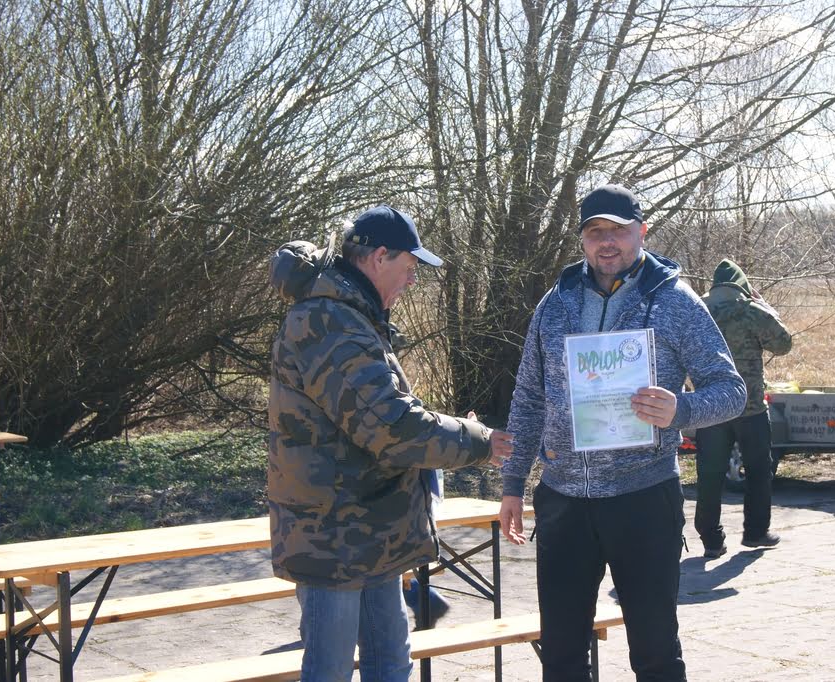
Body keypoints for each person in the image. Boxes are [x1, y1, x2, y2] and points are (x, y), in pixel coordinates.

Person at [499, 184, 746, 681]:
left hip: (643, 497)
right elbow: (528, 398)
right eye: (595, 232)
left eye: (618, 230)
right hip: (564, 500)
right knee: (561, 655)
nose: (606, 241)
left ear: (642, 232)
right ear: (582, 239)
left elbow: (732, 390)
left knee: (655, 653)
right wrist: (512, 482)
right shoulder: (554, 303)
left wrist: (680, 408)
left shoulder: (676, 301)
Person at [267, 204, 514, 682]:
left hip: (370, 531)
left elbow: (379, 409)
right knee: (331, 670)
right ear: (380, 257)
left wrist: (452, 431)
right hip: (332, 539)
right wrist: (480, 442)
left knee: (390, 664)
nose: (413, 279)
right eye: (410, 265)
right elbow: (389, 427)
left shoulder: (350, 316)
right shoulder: (329, 322)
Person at [693, 260, 793, 559]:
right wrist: (766, 306)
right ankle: (755, 532)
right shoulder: (751, 310)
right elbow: (783, 344)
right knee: (759, 471)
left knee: (709, 475)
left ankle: (711, 540)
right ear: (743, 286)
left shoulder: (697, 309)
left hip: (710, 407)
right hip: (750, 407)